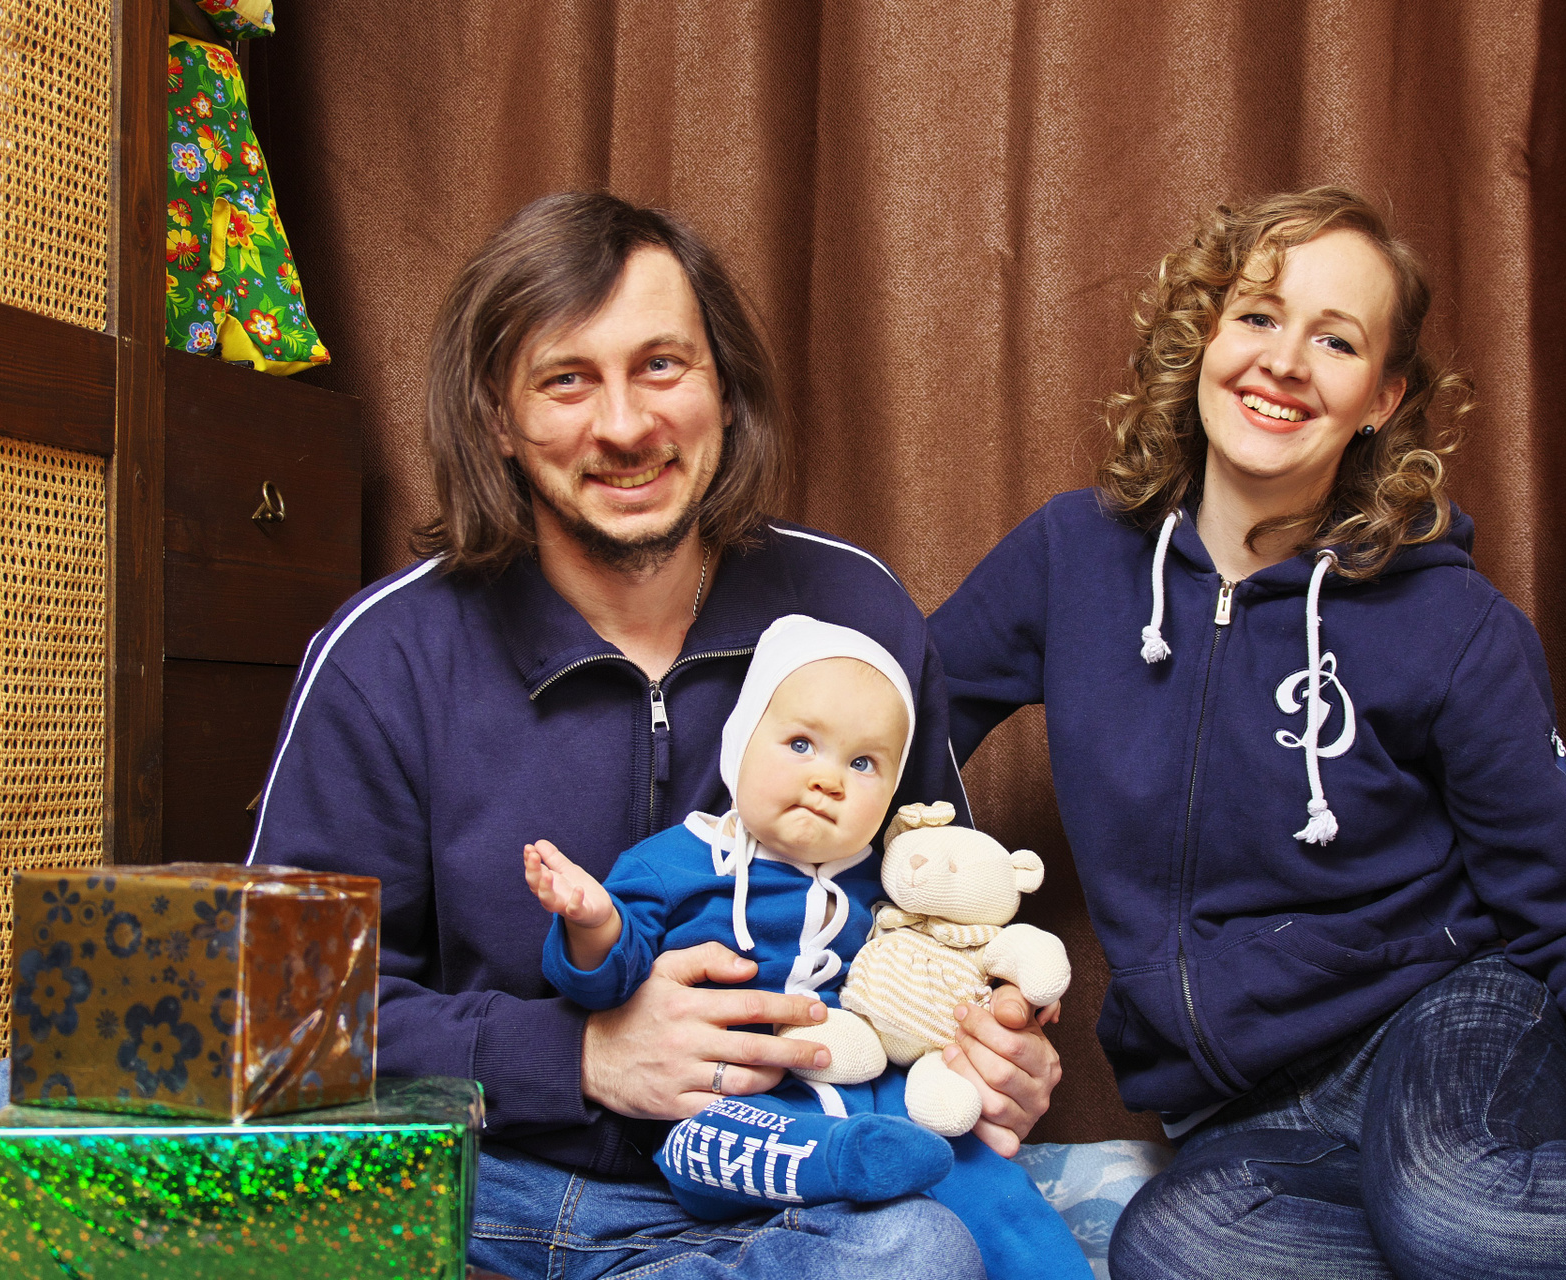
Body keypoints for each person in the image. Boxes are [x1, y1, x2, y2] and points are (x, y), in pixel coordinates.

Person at [930, 186, 1566, 1280]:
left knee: (1449, 1205)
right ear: (1204, 340)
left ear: (1381, 398)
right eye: (1257, 316)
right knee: (1174, 1247)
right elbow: (886, 732)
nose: (1283, 361)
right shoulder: (1071, 557)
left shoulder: (1453, 626)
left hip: (1447, 1020)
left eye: (1334, 340)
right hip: (1247, 1105)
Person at [247, 191, 1061, 1280]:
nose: (626, 426)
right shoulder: (385, 656)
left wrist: (990, 1049)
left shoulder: (855, 613)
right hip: (486, 1186)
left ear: (724, 386)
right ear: (496, 415)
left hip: (781, 1184)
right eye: (567, 379)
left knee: (917, 1252)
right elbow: (286, 1017)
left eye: (662, 366)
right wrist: (579, 1056)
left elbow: (933, 910)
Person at [524, 614, 1089, 1277]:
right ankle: (840, 1164)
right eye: (800, 744)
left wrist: (999, 995)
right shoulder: (674, 863)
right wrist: (593, 924)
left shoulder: (885, 883)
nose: (829, 780)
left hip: (869, 1088)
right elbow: (602, 985)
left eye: (863, 763)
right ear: (741, 743)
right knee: (710, 1142)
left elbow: (941, 956)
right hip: (729, 1100)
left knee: (986, 1179)